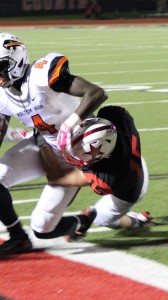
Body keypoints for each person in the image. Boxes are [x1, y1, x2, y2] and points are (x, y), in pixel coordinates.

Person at [0, 32, 108, 254]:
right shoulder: (2, 95)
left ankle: (93, 217)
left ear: (16, 58)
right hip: (44, 145)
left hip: (77, 149)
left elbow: (96, 93)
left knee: (43, 228)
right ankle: (18, 237)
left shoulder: (41, 75)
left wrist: (69, 125)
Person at [35, 105, 152, 240]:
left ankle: (136, 221)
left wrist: (42, 142)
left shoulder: (106, 178)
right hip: (133, 161)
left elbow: (59, 177)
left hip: (130, 189)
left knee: (100, 219)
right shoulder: (114, 117)